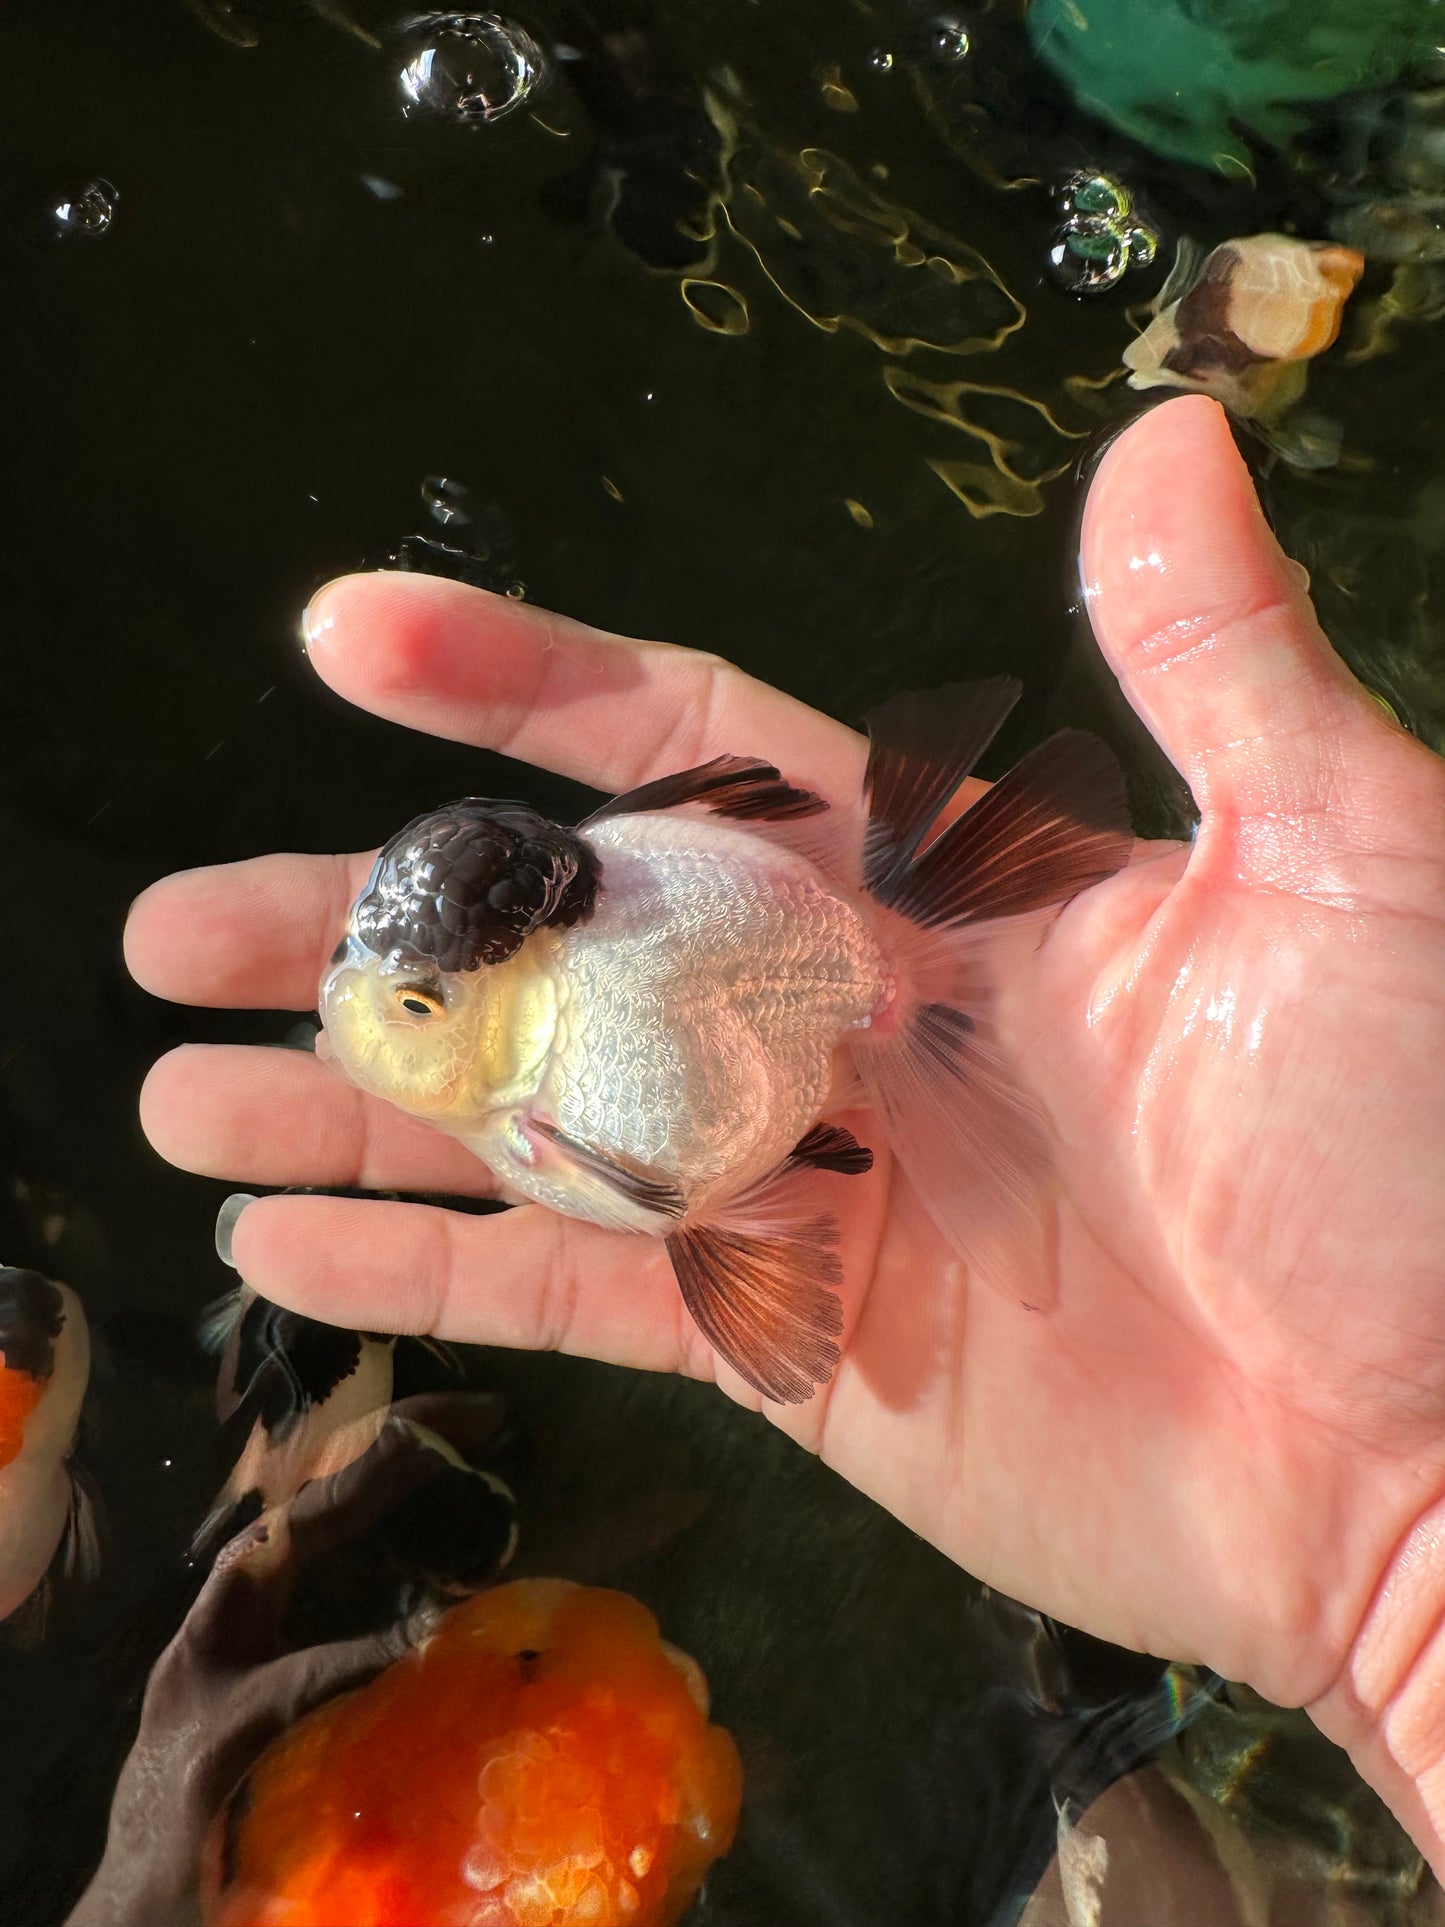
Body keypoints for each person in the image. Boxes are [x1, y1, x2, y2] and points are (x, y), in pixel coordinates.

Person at [125, 395, 1445, 1874]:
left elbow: (662, 1176)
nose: (373, 1030)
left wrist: (1403, 1579)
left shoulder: (573, 1083)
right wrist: (1402, 1596)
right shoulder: (593, 968)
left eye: (417, 1005)